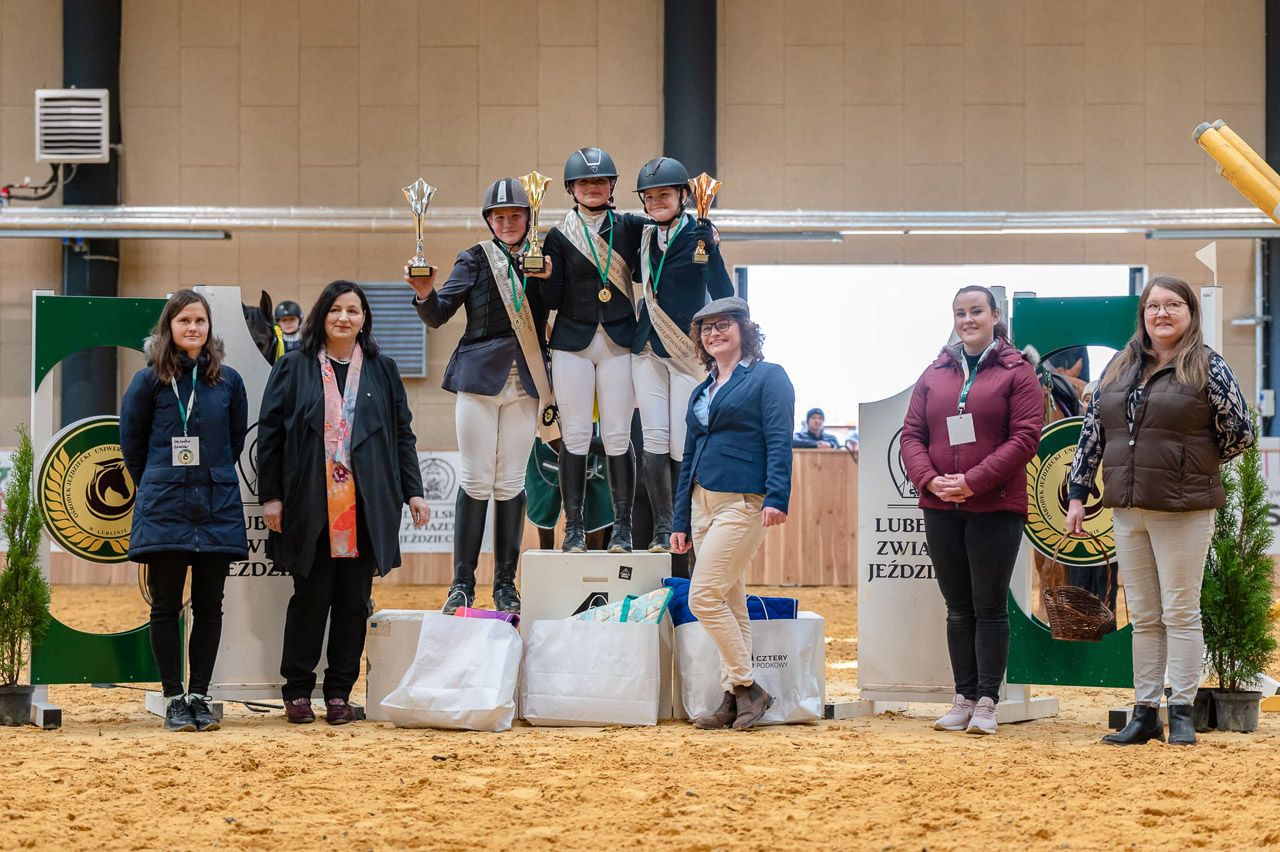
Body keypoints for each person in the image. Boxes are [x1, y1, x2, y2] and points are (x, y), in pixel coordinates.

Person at [1066, 276, 1253, 747]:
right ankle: (1145, 711)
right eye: (1154, 306)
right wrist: (1077, 492)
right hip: (1128, 510)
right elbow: (1092, 433)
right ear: (1143, 314)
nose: (1162, 313)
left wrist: (1191, 465)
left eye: (1173, 305)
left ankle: (1182, 710)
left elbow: (1240, 431)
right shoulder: (1118, 365)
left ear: (1190, 313)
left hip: (1183, 509)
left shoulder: (1208, 365)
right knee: (1146, 616)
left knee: (1181, 612)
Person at [257, 280, 430, 725]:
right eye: (336, 309)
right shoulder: (293, 365)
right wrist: (271, 496)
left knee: (354, 603)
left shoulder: (382, 368)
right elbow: (270, 435)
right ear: (322, 315)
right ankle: (297, 691)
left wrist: (413, 490)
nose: (344, 318)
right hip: (310, 503)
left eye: (353, 311)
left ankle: (338, 694)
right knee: (310, 599)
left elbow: (402, 434)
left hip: (366, 506)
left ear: (364, 319)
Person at [899, 285, 1042, 736]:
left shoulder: (1019, 373)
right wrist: (929, 479)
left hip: (995, 505)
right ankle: (962, 697)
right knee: (957, 607)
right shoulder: (934, 373)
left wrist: (973, 481)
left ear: (995, 316)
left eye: (976, 311)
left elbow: (1025, 438)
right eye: (960, 313)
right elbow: (911, 434)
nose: (968, 320)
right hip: (940, 505)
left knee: (989, 605)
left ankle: (987, 701)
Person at [407, 178, 554, 615]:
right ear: (489, 221)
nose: (507, 223)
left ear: (528, 218)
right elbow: (439, 314)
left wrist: (550, 277)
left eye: (515, 215)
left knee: (511, 482)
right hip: (478, 380)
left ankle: (506, 585)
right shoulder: (473, 258)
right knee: (475, 480)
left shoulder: (543, 258)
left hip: (527, 382)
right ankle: (462, 584)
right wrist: (424, 294)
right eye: (499, 216)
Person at [119, 289, 249, 733]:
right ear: (169, 327)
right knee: (166, 606)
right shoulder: (148, 381)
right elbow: (132, 443)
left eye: (200, 321)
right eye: (184, 321)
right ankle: (174, 697)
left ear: (209, 328)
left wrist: (207, 476)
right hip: (165, 506)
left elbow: (234, 441)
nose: (193, 327)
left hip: (216, 504)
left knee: (210, 607)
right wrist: (160, 482)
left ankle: (201, 696)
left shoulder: (228, 381)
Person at [670, 297, 795, 730]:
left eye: (723, 325)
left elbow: (779, 438)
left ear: (744, 329)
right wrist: (680, 519)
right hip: (701, 503)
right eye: (706, 329)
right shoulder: (701, 390)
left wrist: (777, 496)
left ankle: (749, 687)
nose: (714, 333)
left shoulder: (768, 376)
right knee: (730, 603)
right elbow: (689, 456)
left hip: (743, 501)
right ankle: (734, 697)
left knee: (703, 597)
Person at [540, 146, 648, 553]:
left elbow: (663, 240)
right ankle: (574, 529)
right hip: (572, 342)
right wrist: (545, 277)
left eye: (600, 181)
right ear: (571, 188)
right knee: (576, 435)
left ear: (612, 186)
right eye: (584, 182)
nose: (592, 187)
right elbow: (552, 298)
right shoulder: (557, 236)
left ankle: (623, 528)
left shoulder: (631, 226)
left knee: (618, 435)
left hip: (619, 340)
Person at [630, 156, 733, 556]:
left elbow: (723, 292)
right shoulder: (642, 236)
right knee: (653, 440)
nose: (656, 202)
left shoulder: (698, 235)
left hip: (686, 352)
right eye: (650, 196)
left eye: (664, 195)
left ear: (683, 197)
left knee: (680, 444)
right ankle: (661, 529)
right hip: (647, 349)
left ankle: (685, 528)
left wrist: (715, 250)